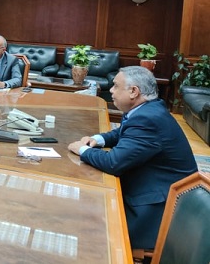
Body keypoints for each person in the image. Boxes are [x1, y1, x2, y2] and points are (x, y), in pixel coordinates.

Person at [68, 66, 197, 250]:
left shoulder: (148, 120)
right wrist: (98, 139)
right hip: (153, 188)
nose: (111, 90)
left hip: (156, 209)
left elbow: (113, 162)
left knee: (88, 228)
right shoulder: (148, 110)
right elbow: (123, 132)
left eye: (115, 86)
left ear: (134, 91)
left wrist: (82, 149)